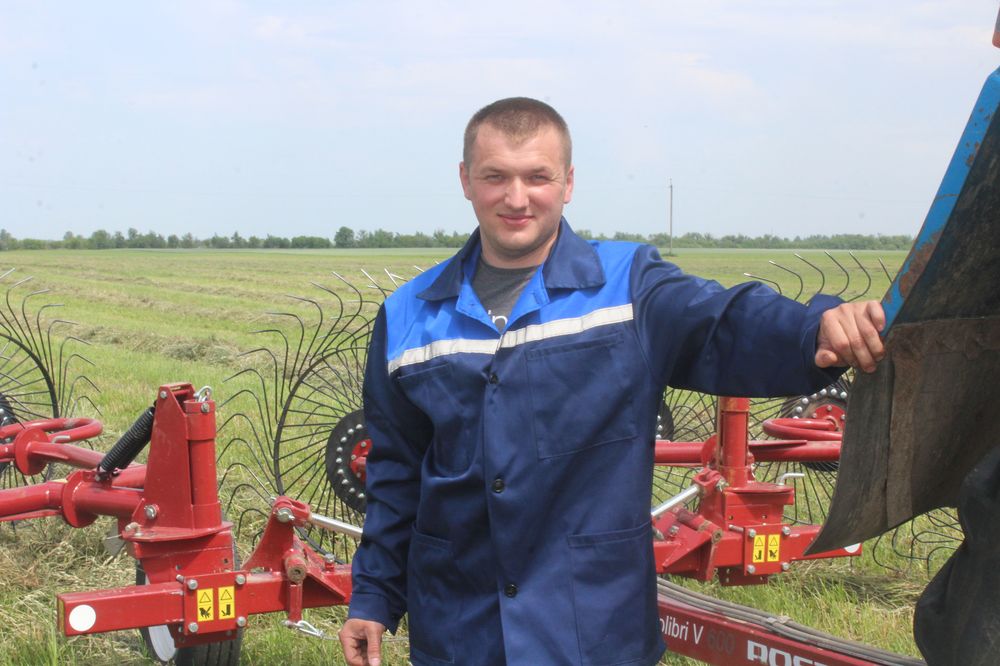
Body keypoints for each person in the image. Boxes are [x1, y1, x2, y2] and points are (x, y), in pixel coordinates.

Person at [339, 97, 885, 666]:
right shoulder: (408, 317)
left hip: (595, 632)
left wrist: (816, 329)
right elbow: (397, 473)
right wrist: (374, 596)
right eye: (495, 176)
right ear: (465, 180)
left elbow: (724, 320)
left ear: (568, 183)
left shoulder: (628, 290)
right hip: (460, 632)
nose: (517, 198)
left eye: (538, 177)